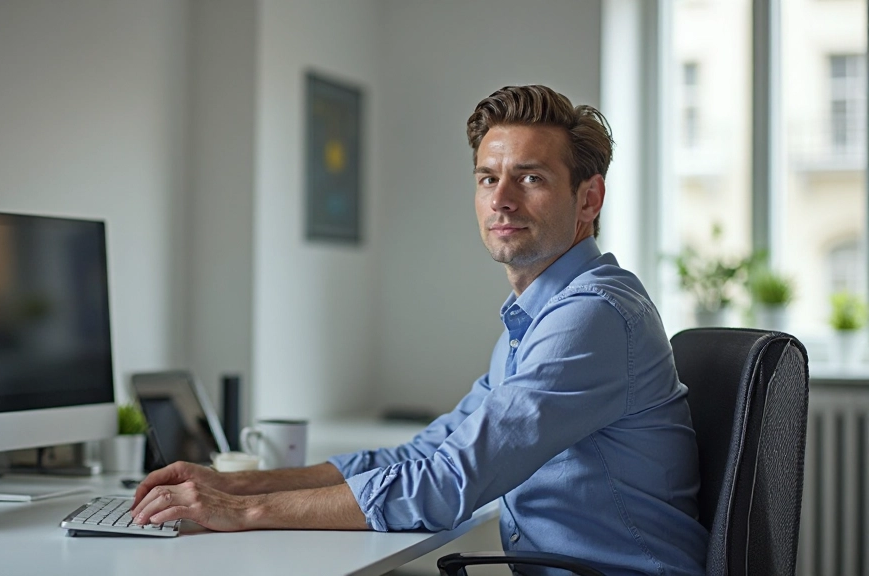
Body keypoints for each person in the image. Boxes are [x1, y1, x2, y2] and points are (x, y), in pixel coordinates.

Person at [130, 85, 709, 575]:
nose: (501, 200)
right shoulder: (534, 320)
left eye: (529, 178)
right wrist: (244, 487)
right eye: (487, 179)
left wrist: (245, 515)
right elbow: (428, 450)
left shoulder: (592, 316)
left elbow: (450, 481)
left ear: (589, 198)